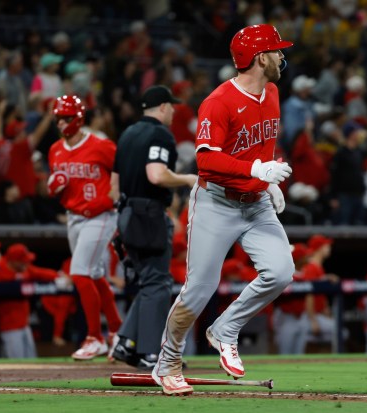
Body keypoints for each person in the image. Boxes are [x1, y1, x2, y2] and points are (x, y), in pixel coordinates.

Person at [152, 24, 294, 395]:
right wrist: (254, 171)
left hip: (256, 202)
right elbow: (205, 161)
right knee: (198, 290)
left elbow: (259, 149)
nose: (282, 56)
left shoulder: (273, 92)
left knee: (280, 271)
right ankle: (166, 364)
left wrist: (268, 181)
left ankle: (225, 328)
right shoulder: (219, 101)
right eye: (276, 51)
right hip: (217, 202)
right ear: (261, 57)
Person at [109, 85, 196, 370]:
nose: (173, 110)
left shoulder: (127, 134)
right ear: (162, 107)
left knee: (149, 281)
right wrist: (186, 180)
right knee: (158, 283)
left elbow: (113, 187)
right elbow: (156, 175)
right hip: (147, 214)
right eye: (171, 106)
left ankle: (126, 343)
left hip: (126, 212)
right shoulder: (159, 134)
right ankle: (150, 352)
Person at [47, 95, 122, 360]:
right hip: (74, 217)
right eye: (58, 118)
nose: (61, 123)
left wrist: (110, 196)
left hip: (101, 216)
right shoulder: (55, 149)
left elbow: (122, 170)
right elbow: (58, 185)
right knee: (94, 274)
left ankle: (95, 337)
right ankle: (117, 330)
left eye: (66, 118)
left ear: (78, 118)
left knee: (79, 272)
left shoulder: (100, 145)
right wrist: (54, 186)